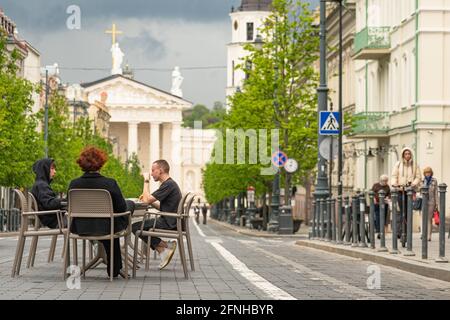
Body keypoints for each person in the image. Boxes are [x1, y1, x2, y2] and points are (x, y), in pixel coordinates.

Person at [68, 147, 135, 278]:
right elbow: (121, 208)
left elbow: (69, 206)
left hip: (81, 228)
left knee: (108, 222)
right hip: (106, 228)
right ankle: (115, 268)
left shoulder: (74, 184)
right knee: (126, 207)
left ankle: (112, 264)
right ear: (101, 163)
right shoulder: (109, 183)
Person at [132, 160, 182, 270]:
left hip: (169, 222)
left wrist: (146, 181)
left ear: (161, 170)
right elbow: (162, 207)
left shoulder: (168, 184)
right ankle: (164, 248)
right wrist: (151, 201)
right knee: (140, 226)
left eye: (153, 170)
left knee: (135, 227)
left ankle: (165, 247)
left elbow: (145, 200)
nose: (151, 173)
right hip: (171, 220)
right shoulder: (169, 184)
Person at [391, 147, 421, 238]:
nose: (407, 155)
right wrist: (394, 183)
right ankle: (400, 230)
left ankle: (407, 230)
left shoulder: (415, 165)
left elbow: (418, 177)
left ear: (411, 155)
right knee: (401, 210)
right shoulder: (398, 164)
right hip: (400, 189)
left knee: (408, 211)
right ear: (403, 155)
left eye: (409, 154)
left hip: (410, 190)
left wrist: (413, 184)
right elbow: (394, 175)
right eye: (405, 154)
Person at [31, 158, 66, 229]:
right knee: (81, 220)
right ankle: (92, 238)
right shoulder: (41, 185)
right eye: (52, 168)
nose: (55, 171)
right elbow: (49, 203)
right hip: (56, 220)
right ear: (45, 170)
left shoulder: (39, 184)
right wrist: (65, 200)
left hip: (55, 218)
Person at [371, 175, 391, 239]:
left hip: (384, 204)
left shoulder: (387, 186)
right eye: (383, 181)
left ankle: (382, 231)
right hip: (377, 204)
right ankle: (379, 231)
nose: (384, 182)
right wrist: (373, 198)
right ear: (380, 180)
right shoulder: (375, 185)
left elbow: (389, 194)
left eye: (386, 181)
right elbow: (372, 192)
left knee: (384, 217)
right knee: (378, 217)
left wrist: (388, 198)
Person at [423, 167, 438, 241]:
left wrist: (437, 203)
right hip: (423, 202)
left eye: (429, 172)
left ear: (431, 173)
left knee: (429, 219)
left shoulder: (434, 180)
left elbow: (436, 192)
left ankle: (429, 236)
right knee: (424, 218)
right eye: (426, 173)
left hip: (431, 202)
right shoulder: (422, 181)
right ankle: (424, 234)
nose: (427, 174)